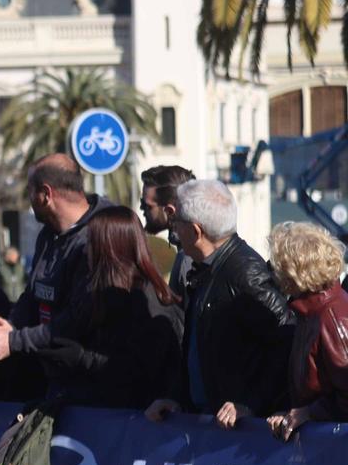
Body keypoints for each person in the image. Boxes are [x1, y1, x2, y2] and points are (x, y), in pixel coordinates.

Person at [147, 178, 294, 428]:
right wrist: (175, 397)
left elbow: (286, 340)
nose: (173, 229)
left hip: (238, 438)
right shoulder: (207, 269)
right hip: (208, 423)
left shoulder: (245, 273)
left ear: (195, 231)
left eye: (177, 221)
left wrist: (249, 403)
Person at [13, 207, 182, 410]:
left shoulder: (148, 299)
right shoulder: (100, 292)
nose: (86, 249)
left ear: (110, 247)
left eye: (92, 242)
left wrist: (81, 358)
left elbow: (138, 370)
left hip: (139, 421)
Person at [0, 155, 104, 379]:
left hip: (89, 382)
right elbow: (33, 293)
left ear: (46, 194)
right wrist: (11, 325)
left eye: (30, 191)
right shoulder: (48, 235)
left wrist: (14, 341)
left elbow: (76, 319)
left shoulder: (99, 236)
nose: (28, 198)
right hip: (53, 376)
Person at [266, 222, 348, 440]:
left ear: (295, 272)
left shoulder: (331, 318)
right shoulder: (310, 314)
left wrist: (310, 413)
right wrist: (292, 413)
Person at [139, 163, 196, 298]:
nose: (142, 209)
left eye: (147, 205)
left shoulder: (192, 255)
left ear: (169, 210)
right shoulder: (188, 247)